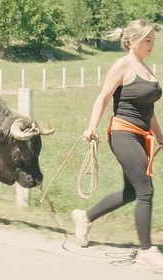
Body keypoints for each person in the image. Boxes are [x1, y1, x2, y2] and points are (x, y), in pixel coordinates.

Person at [72, 19, 163, 272]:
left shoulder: (146, 69)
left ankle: (85, 217)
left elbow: (149, 109)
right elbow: (103, 97)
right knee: (146, 189)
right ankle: (146, 251)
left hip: (142, 135)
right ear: (131, 41)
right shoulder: (122, 65)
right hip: (122, 132)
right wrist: (91, 127)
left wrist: (160, 135)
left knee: (132, 191)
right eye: (147, 40)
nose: (151, 45)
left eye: (153, 40)